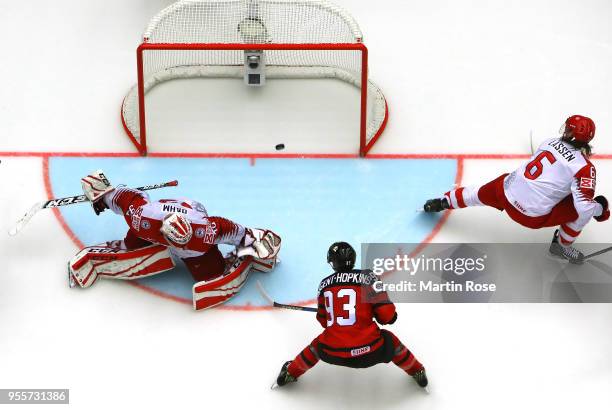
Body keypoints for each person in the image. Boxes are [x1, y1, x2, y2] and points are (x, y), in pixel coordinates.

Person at [68, 170, 281, 310]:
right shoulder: (143, 218)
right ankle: (132, 246)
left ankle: (223, 263)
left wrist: (254, 240)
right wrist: (102, 194)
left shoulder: (204, 231)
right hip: (159, 216)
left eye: (183, 241)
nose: (181, 245)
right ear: (163, 232)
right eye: (176, 242)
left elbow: (236, 231)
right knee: (133, 243)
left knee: (210, 273)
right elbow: (125, 197)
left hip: (192, 209)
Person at [424, 115, 609, 264]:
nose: (565, 131)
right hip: (531, 217)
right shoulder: (585, 168)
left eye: (568, 129)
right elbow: (584, 208)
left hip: (503, 193)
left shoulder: (549, 142)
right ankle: (562, 247)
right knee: (580, 210)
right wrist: (601, 210)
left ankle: (442, 202)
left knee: (476, 193)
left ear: (574, 135)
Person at [274, 242, 428, 389]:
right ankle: (417, 371)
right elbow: (387, 316)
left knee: (316, 346)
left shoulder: (324, 284)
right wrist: (381, 314)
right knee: (391, 341)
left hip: (332, 353)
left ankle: (289, 373)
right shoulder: (369, 277)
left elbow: (323, 321)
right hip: (371, 351)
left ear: (332, 263)